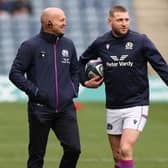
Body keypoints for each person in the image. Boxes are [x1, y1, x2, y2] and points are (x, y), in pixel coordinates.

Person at [79, 5, 168, 168]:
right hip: (113, 105)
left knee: (126, 148)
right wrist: (84, 81)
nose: (124, 23)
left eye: (127, 19)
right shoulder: (101, 43)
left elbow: (161, 66)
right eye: (120, 20)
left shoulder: (141, 41)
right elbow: (80, 62)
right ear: (109, 21)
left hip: (137, 104)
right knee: (117, 156)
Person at [9, 7, 81, 168]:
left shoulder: (69, 45)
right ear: (49, 23)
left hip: (65, 109)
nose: (65, 23)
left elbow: (75, 71)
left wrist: (72, 90)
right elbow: (15, 73)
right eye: (61, 20)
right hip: (40, 109)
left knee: (74, 149)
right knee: (36, 155)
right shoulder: (30, 45)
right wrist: (36, 92)